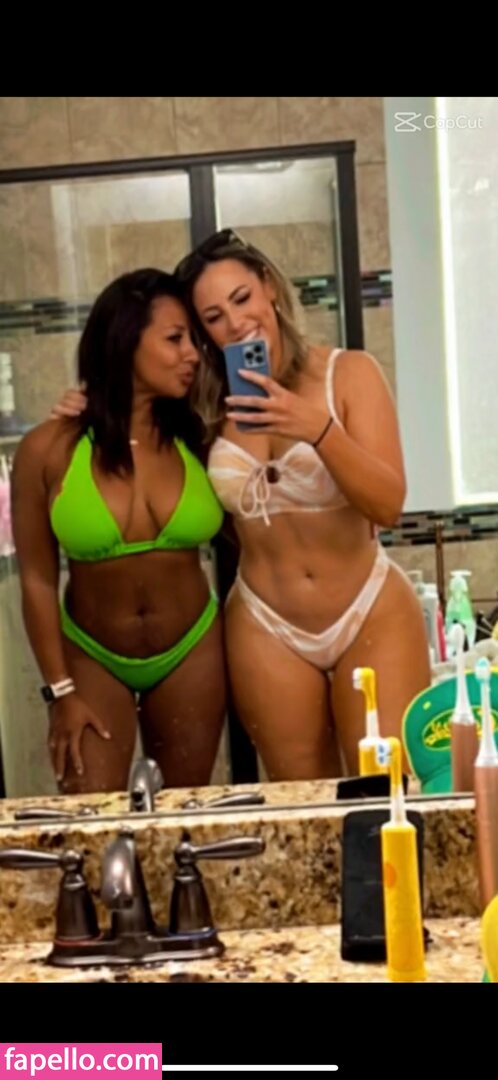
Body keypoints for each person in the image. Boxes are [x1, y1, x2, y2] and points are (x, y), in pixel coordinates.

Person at [53, 231, 432, 781]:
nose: (235, 323)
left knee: (387, 782)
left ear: (269, 288)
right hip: (265, 621)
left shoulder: (349, 374)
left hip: (369, 606)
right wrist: (85, 405)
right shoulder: (203, 403)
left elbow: (388, 504)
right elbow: (136, 427)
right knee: (299, 801)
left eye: (242, 298)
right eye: (213, 316)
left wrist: (317, 429)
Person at [12, 269, 226, 794]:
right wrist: (60, 690)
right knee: (90, 823)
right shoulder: (47, 449)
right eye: (174, 338)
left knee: (182, 819)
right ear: (127, 341)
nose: (192, 354)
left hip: (191, 649)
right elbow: (37, 579)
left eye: (193, 340)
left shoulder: (200, 440)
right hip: (89, 656)